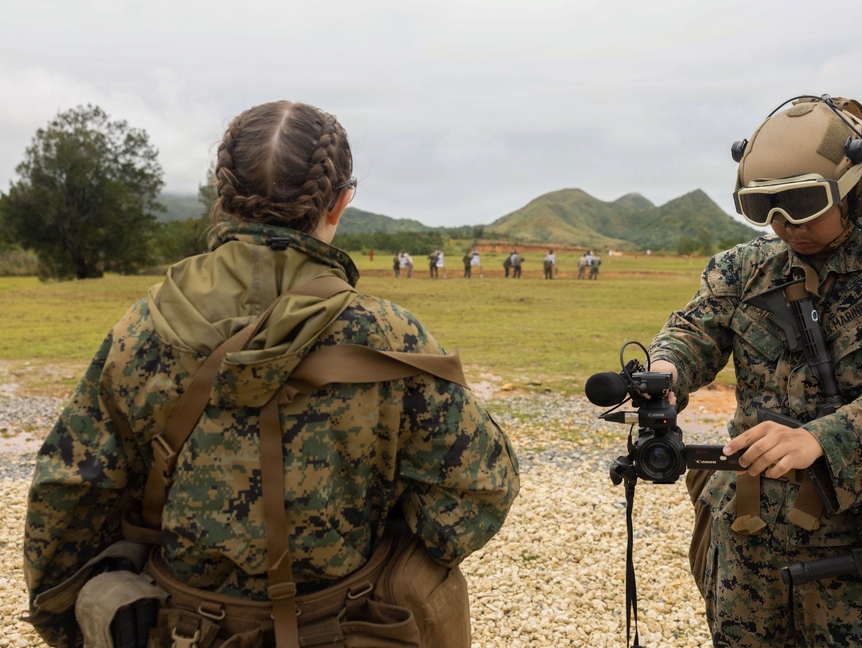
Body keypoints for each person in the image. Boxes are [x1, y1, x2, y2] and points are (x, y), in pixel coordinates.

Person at [23, 100, 520, 646]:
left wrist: (72, 615)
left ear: (223, 195)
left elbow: (68, 492)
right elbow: (480, 486)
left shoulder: (142, 329)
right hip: (346, 626)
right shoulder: (388, 335)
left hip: (180, 629)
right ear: (340, 201)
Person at [647, 95, 862, 646]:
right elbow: (693, 332)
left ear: (854, 188)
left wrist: (822, 440)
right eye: (765, 208)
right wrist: (663, 371)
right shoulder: (743, 268)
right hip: (748, 547)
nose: (784, 225)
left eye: (802, 203)